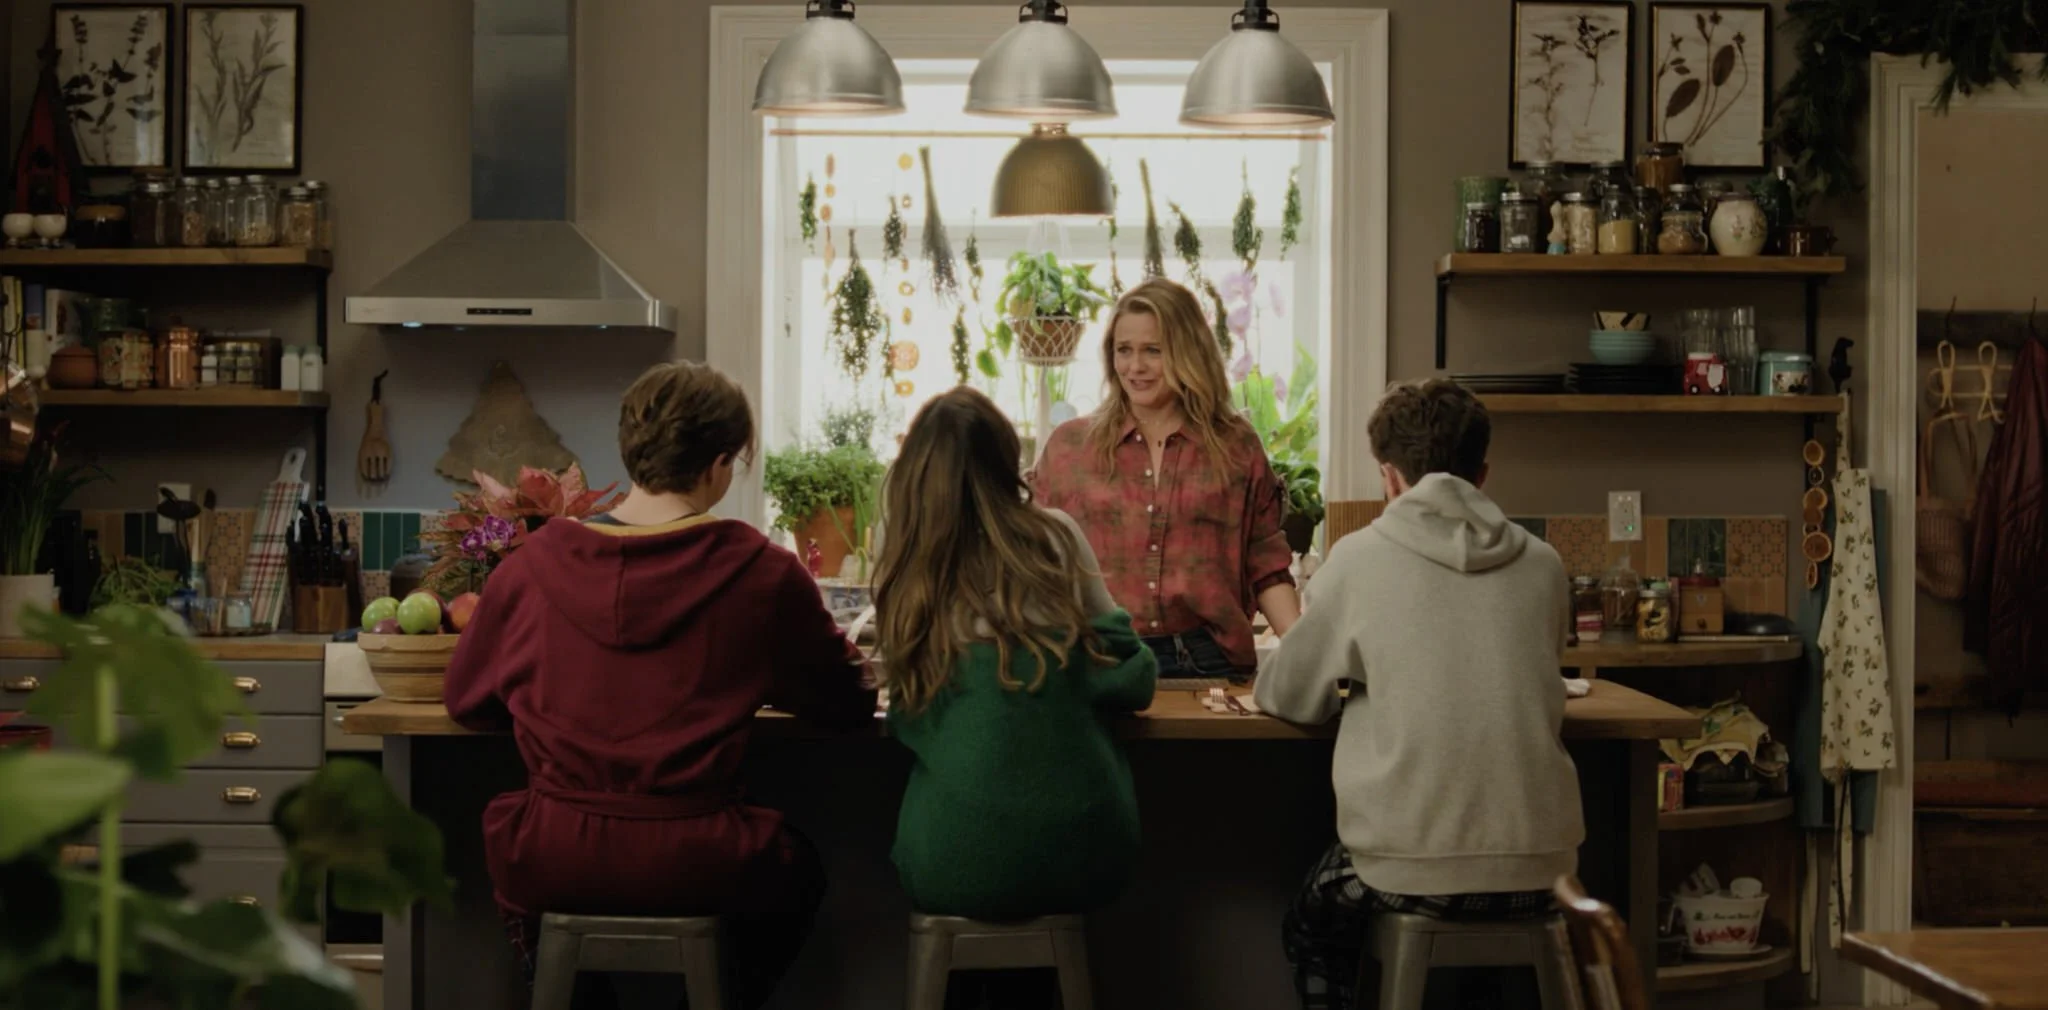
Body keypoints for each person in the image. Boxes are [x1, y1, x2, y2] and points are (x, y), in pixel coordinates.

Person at [444, 360, 875, 1010]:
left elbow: (466, 700)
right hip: (701, 861)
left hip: (553, 854)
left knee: (528, 878)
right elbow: (848, 702)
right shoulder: (762, 572)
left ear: (633, 450)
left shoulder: (531, 565)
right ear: (720, 464)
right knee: (798, 871)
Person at [1253, 379, 1584, 1010]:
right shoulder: (1543, 563)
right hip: (1544, 868)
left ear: (1388, 476)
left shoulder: (1357, 559)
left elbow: (1289, 694)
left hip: (1406, 864)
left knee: (1313, 925)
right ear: (1481, 475)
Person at [877, 388, 1158, 1008]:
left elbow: (903, 704)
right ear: (1009, 460)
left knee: (968, 851)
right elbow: (1131, 676)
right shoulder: (1055, 535)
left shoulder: (904, 552)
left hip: (949, 863)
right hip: (1082, 854)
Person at [1032, 277, 1300, 683]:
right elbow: (1033, 560)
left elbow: (1265, 564)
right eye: (1124, 350)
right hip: (1099, 660)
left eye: (1153, 351)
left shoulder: (1236, 446)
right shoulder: (1070, 447)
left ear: (1187, 352)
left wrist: (1304, 657)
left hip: (1209, 659)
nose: (1135, 367)